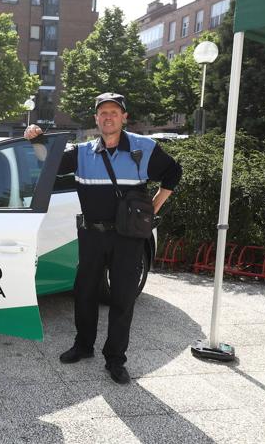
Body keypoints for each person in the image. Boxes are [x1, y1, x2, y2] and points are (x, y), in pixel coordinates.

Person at [25, 92, 182, 384]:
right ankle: (84, 346)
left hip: (128, 238)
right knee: (84, 292)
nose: (108, 117)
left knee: (122, 298)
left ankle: (115, 359)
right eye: (102, 113)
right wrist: (35, 138)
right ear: (96, 119)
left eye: (114, 112)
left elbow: (173, 173)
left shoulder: (143, 148)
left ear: (124, 117)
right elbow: (48, 164)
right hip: (91, 235)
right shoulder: (83, 152)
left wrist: (151, 211)